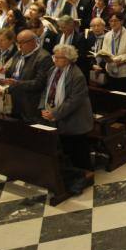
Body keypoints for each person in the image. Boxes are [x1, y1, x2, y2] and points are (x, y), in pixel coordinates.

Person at [39, 44, 93, 195]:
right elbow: (47, 90)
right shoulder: (53, 70)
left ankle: (84, 177)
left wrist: (55, 113)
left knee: (78, 150)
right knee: (65, 148)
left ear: (68, 59)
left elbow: (73, 101)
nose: (55, 60)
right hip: (58, 117)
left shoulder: (77, 76)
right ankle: (71, 176)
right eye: (54, 56)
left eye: (58, 57)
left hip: (75, 119)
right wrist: (43, 107)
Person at [0, 29, 54, 122]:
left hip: (30, 105)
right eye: (18, 42)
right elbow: (13, 73)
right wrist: (5, 71)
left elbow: (39, 83)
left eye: (22, 43)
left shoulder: (44, 57)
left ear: (33, 41)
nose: (19, 46)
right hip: (15, 102)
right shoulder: (18, 53)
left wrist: (17, 83)